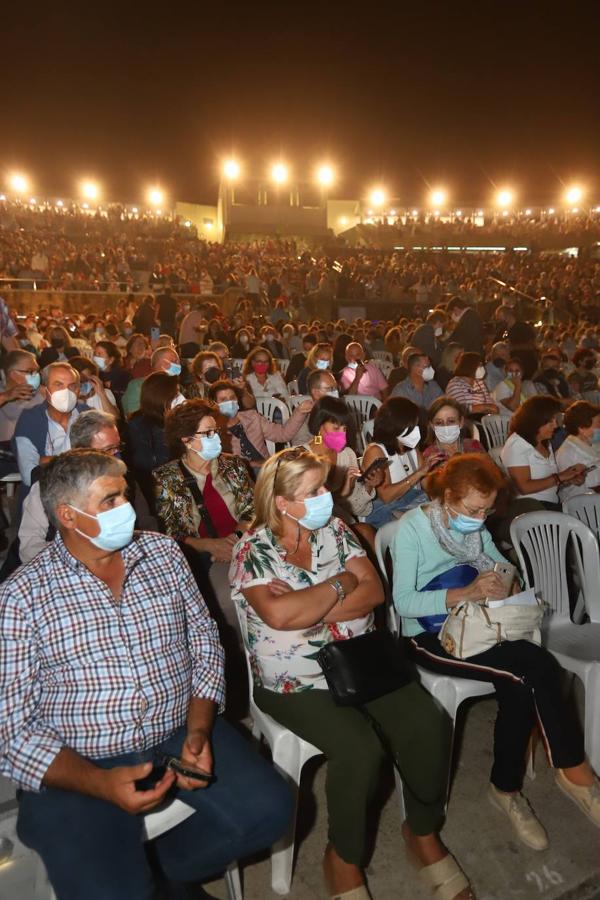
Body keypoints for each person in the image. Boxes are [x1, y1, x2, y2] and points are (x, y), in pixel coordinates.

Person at [0, 449, 292, 900]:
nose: (128, 510)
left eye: (125, 496)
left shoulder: (161, 554)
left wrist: (199, 730)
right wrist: (98, 783)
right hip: (79, 757)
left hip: (175, 729)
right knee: (109, 888)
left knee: (270, 811)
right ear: (68, 516)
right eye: (110, 501)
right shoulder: (22, 596)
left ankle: (168, 870)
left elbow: (204, 642)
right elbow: (11, 729)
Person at [230, 449, 475, 900]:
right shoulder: (253, 549)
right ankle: (342, 858)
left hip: (361, 662)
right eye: (314, 491)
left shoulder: (335, 528)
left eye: (324, 486)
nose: (328, 496)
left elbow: (374, 593)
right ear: (282, 502)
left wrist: (316, 601)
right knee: (361, 751)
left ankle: (421, 831)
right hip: (294, 683)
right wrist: (340, 585)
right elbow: (281, 617)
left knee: (428, 722)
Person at [392, 453, 600, 851]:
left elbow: (507, 567)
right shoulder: (413, 529)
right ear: (448, 496)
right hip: (430, 635)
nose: (480, 519)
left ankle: (507, 791)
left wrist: (505, 581)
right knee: (534, 666)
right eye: (473, 509)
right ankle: (570, 773)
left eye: (487, 511)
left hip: (479, 625)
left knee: (524, 678)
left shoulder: (474, 530)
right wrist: (464, 593)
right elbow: (403, 603)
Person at [153, 399, 255, 634]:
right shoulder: (165, 479)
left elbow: (254, 509)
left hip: (244, 543)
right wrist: (210, 545)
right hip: (204, 558)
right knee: (228, 603)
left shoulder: (234, 465)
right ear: (186, 440)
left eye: (216, 431)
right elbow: (171, 532)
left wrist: (236, 537)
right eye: (208, 433)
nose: (216, 437)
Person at [18, 410, 123, 563]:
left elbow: (144, 525)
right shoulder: (49, 485)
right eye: (107, 450)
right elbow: (29, 546)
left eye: (117, 447)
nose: (115, 455)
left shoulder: (124, 480)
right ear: (81, 451)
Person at [362, 398, 444, 528]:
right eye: (412, 426)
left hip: (412, 505)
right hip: (385, 512)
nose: (417, 430)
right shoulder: (376, 451)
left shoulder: (412, 449)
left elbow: (429, 486)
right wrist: (418, 474)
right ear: (396, 426)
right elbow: (386, 497)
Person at [501, 395, 586, 515]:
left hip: (549, 505)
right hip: (529, 509)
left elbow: (548, 484)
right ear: (536, 421)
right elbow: (524, 488)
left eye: (556, 420)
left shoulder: (545, 442)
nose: (555, 425)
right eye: (550, 421)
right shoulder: (517, 444)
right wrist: (560, 477)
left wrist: (569, 479)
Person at [13, 362, 88, 489]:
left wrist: (45, 460)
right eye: (59, 385)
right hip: (43, 495)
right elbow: (29, 474)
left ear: (78, 390)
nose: (66, 392)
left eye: (72, 386)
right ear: (44, 390)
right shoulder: (30, 419)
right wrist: (81, 458)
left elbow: (107, 462)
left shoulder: (89, 416)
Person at [209, 379, 312, 469]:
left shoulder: (252, 417)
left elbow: (283, 434)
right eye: (223, 400)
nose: (230, 402)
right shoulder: (214, 429)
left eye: (232, 398)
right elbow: (222, 462)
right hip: (241, 474)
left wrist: (299, 412)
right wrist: (254, 464)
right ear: (214, 404)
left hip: (266, 469)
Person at [125, 372, 179, 506]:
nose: (180, 399)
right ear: (162, 397)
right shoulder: (138, 425)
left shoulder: (172, 421)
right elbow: (151, 464)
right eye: (176, 395)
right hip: (157, 494)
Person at [0, 350, 44, 468]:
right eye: (30, 371)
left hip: (31, 452)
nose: (36, 375)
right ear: (13, 374)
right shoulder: (2, 393)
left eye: (37, 371)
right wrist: (5, 397)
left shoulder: (41, 394)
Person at [555, 400, 600, 500]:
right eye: (598, 425)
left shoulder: (591, 442)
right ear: (582, 428)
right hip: (583, 503)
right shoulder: (568, 452)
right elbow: (593, 483)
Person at [121, 346, 182, 416]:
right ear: (158, 364)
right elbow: (132, 414)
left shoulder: (179, 387)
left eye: (178, 362)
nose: (177, 365)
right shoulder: (137, 386)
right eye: (173, 361)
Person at [423, 396, 485, 462]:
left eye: (451, 421)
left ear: (461, 422)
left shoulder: (474, 446)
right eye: (439, 422)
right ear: (432, 426)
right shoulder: (431, 454)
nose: (445, 426)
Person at [291, 369, 341, 446]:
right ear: (316, 393)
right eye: (330, 389)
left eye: (336, 388)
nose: (335, 392)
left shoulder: (341, 411)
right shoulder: (304, 417)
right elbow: (300, 448)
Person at [446, 352, 499, 418]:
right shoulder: (455, 383)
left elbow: (493, 406)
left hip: (483, 419)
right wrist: (483, 407)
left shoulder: (480, 383)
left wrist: (480, 408)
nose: (482, 368)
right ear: (470, 366)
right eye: (479, 365)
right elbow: (460, 408)